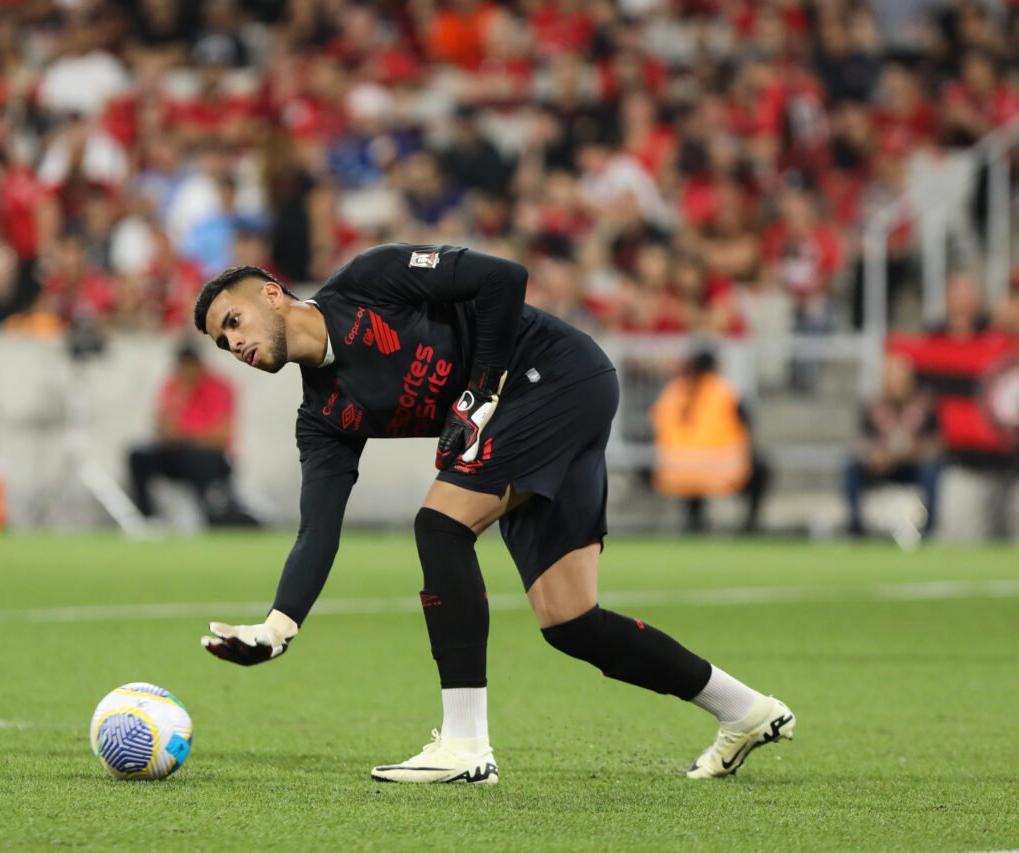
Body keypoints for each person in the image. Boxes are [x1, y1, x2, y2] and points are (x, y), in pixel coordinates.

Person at [192, 244, 795, 784]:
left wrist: (477, 392)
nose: (234, 345)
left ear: (272, 294)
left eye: (234, 321)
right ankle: (745, 710)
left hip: (556, 374)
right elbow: (317, 531)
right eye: (222, 342)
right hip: (536, 415)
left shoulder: (369, 281)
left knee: (440, 525)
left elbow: (504, 277)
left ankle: (464, 744)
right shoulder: (323, 418)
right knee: (571, 622)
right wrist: (276, 629)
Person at [127, 344, 258, 528]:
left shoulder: (217, 387)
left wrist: (183, 434)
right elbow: (161, 426)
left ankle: (214, 519)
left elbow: (220, 437)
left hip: (207, 457)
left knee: (199, 460)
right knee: (138, 456)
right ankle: (147, 519)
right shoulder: (174, 385)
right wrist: (176, 406)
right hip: (177, 453)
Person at [651, 351, 770, 534]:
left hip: (674, 468)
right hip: (720, 466)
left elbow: (655, 422)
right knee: (762, 466)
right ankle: (751, 523)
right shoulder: (725, 390)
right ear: (716, 366)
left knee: (693, 470)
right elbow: (748, 424)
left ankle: (695, 520)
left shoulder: (673, 390)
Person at [843, 354, 940, 537]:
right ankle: (856, 528)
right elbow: (861, 440)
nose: (896, 384)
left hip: (912, 464)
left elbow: (937, 442)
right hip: (881, 465)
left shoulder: (924, 406)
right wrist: (874, 455)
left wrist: (908, 453)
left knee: (932, 470)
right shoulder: (873, 407)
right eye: (891, 377)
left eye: (900, 378)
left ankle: (929, 531)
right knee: (851, 466)